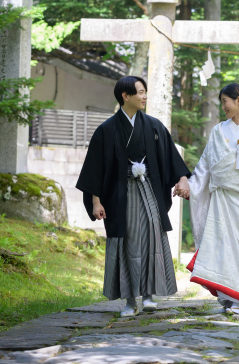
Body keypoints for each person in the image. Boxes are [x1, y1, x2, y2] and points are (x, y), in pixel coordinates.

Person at [76, 76, 191, 317]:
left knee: (152, 237)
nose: (144, 96)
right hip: (121, 196)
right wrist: (96, 201)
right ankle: (130, 300)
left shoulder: (154, 126)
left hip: (149, 191)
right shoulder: (106, 130)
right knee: (127, 242)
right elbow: (95, 169)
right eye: (139, 92)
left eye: (145, 91)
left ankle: (148, 295)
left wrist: (182, 179)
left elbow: (170, 157)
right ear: (125, 96)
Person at [173, 83, 239, 315]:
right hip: (220, 200)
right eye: (221, 103)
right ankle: (226, 297)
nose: (224, 107)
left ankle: (237, 297)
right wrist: (189, 185)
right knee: (220, 246)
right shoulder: (218, 131)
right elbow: (205, 166)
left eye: (225, 102)